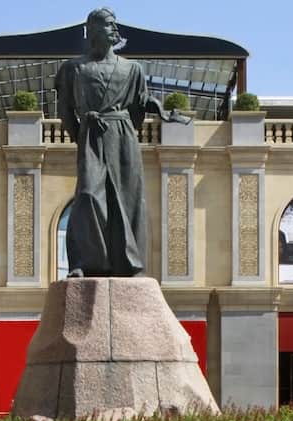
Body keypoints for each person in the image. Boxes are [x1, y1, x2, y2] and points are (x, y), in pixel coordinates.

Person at [56, 7, 192, 278]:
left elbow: (139, 104)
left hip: (122, 135)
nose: (114, 29)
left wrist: (161, 110)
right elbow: (65, 110)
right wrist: (81, 135)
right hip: (92, 135)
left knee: (129, 198)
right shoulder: (73, 68)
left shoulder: (132, 69)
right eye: (108, 24)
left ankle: (129, 264)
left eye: (114, 24)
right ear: (92, 30)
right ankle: (85, 262)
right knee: (88, 195)